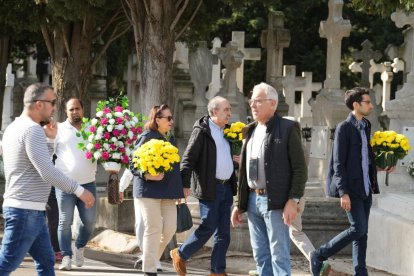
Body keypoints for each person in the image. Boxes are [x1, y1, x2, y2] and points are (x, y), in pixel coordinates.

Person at [0, 83, 95, 275]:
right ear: (39, 104)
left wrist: (50, 140)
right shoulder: (32, 130)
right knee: (6, 264)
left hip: (31, 210)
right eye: (52, 102)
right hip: (25, 210)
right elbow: (47, 171)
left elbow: (33, 162)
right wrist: (79, 190)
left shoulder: (14, 127)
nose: (54, 106)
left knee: (46, 261)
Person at [310, 87, 395, 276]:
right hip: (352, 189)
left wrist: (382, 167)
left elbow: (365, 159)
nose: (371, 105)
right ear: (356, 105)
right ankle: (319, 254)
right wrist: (343, 192)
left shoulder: (365, 126)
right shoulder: (344, 128)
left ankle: (360, 272)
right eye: (367, 102)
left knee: (362, 234)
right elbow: (338, 162)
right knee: (358, 228)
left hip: (365, 188)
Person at [230, 82, 307, 276]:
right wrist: (239, 203)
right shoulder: (251, 130)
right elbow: (245, 171)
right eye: (251, 101)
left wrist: (293, 200)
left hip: (276, 202)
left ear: (272, 103)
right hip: (254, 201)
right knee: (261, 256)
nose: (252, 105)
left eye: (257, 101)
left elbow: (300, 168)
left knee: (278, 256)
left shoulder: (288, 128)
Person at [170, 96, 238, 276]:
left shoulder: (229, 132)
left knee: (224, 232)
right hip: (210, 186)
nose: (229, 114)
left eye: (229, 110)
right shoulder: (202, 131)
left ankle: (218, 271)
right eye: (226, 110)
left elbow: (222, 157)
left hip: (226, 188)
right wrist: (184, 184)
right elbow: (188, 158)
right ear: (215, 111)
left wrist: (235, 161)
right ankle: (181, 253)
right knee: (208, 226)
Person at [130, 104, 184, 276]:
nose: (171, 121)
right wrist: (147, 175)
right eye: (168, 118)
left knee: (169, 228)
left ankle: (148, 258)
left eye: (171, 117)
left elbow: (175, 169)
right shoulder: (146, 136)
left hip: (168, 192)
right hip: (148, 191)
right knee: (153, 227)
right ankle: (149, 269)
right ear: (157, 119)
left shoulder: (170, 139)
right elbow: (133, 164)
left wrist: (178, 192)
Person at [53, 98, 98, 271]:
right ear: (66, 111)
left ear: (83, 109)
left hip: (88, 184)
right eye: (71, 109)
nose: (74, 112)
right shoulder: (58, 129)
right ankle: (66, 256)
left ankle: (79, 246)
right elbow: (49, 153)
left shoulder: (93, 129)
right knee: (65, 221)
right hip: (64, 184)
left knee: (89, 222)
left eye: (77, 108)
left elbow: (102, 151)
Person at [119, 169, 163, 272]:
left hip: (161, 191)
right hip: (141, 190)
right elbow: (130, 170)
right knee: (141, 223)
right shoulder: (136, 153)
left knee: (158, 225)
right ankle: (148, 256)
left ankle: (153, 257)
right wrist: (121, 188)